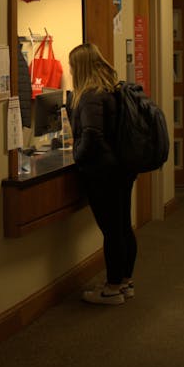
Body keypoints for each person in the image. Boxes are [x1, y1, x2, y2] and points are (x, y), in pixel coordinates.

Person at [68, 42, 137, 305]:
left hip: (103, 173)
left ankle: (112, 288)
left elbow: (92, 135)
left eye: (73, 66)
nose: (70, 71)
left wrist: (77, 155)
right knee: (122, 227)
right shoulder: (113, 89)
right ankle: (126, 282)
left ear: (81, 67)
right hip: (123, 167)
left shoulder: (89, 96)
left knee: (111, 230)